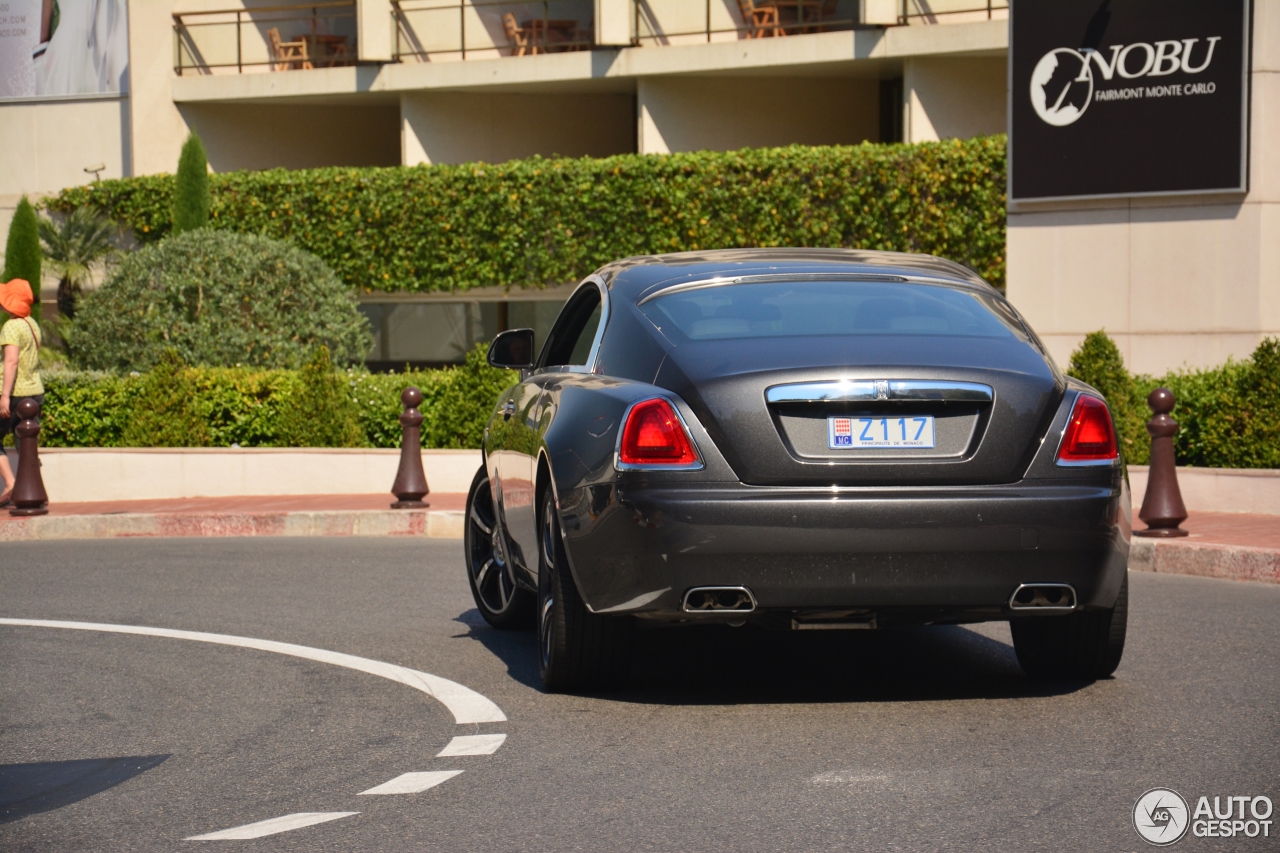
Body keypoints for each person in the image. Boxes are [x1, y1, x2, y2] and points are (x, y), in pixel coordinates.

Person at [0, 279, 44, 507]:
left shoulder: (11, 327)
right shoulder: (31, 324)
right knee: (27, 445)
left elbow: (11, 361)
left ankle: (10, 484)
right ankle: (35, 492)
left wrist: (4, 396)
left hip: (16, 393)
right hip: (35, 392)